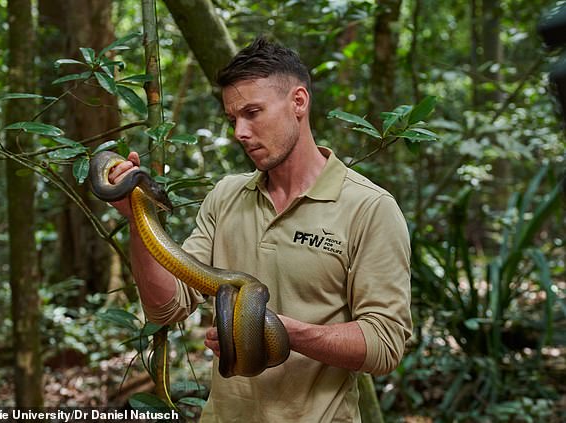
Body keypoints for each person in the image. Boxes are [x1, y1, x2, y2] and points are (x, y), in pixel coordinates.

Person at [108, 37, 412, 423]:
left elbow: (384, 345)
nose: (239, 131)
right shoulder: (226, 196)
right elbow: (166, 307)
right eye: (233, 118)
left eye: (253, 112)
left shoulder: (369, 208)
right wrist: (138, 215)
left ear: (298, 102)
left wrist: (273, 331)